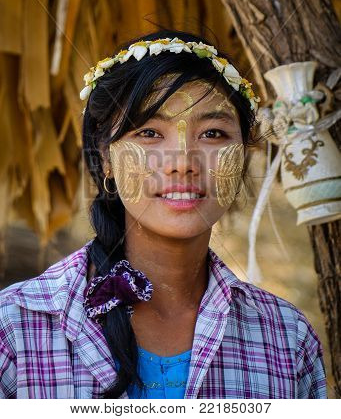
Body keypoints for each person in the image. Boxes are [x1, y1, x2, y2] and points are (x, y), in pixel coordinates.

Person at [0, 30, 327, 399]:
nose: (183, 163)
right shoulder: (16, 329)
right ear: (106, 157)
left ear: (243, 154)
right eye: (151, 132)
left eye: (214, 133)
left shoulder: (287, 341)